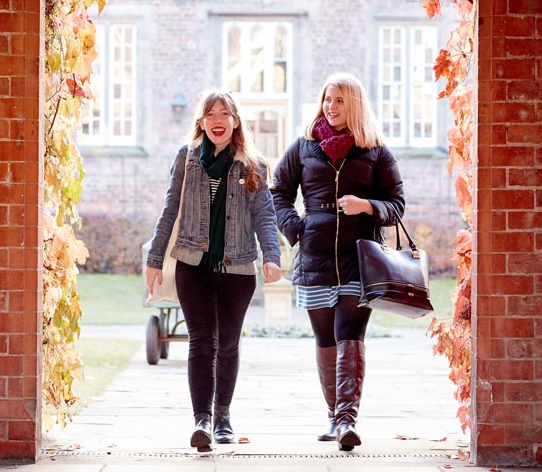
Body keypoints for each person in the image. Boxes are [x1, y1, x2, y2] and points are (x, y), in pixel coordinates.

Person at [271, 73, 404, 451]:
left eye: (341, 100)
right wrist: (296, 228)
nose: (332, 106)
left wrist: (366, 206)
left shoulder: (375, 150)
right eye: (328, 99)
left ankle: (347, 420)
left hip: (360, 257)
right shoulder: (303, 147)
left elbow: (397, 205)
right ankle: (333, 416)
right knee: (325, 337)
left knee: (350, 333)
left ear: (356, 105)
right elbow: (277, 191)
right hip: (314, 256)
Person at [146, 90, 282, 452]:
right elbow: (169, 209)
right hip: (193, 265)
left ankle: (223, 416)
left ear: (235, 121)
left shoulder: (253, 164)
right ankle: (202, 420)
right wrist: (154, 259)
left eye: (225, 113)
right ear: (202, 122)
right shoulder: (187, 158)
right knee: (202, 341)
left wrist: (272, 255)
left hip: (238, 269)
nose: (218, 120)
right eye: (211, 114)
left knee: (229, 345)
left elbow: (264, 215)